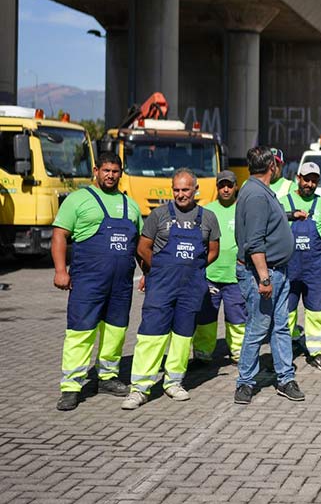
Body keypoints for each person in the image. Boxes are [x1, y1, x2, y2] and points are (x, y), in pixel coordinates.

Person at [123, 168, 221, 409]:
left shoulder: (207, 218)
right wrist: (160, 269)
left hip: (191, 289)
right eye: (176, 189)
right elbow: (143, 248)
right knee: (151, 335)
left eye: (185, 189)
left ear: (195, 189)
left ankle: (173, 382)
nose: (180, 194)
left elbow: (213, 251)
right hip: (162, 287)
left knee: (182, 337)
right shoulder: (159, 215)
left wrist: (193, 267)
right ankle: (140, 388)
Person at [52, 152, 143, 411]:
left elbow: (139, 246)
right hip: (87, 281)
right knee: (80, 331)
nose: (110, 175)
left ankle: (107, 377)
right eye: (106, 170)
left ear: (121, 173)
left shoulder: (131, 205)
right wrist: (61, 270)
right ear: (96, 170)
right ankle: (71, 386)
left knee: (116, 330)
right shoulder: (78, 199)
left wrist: (147, 272)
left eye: (115, 171)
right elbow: (60, 235)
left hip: (121, 284)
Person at [234, 146, 302, 405]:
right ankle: (245, 383)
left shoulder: (258, 191)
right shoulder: (256, 195)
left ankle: (285, 377)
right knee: (258, 327)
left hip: (277, 270)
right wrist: (263, 279)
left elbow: (265, 222)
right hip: (263, 273)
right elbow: (254, 242)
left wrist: (289, 216)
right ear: (272, 167)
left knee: (281, 326)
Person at [281, 161, 321, 370]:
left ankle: (318, 352)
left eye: (314, 181)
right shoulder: (284, 202)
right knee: (286, 312)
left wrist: (319, 235)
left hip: (314, 269)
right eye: (307, 179)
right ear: (299, 178)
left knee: (316, 312)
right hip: (289, 268)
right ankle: (283, 352)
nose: (310, 184)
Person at [194, 170, 246, 364]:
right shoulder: (207, 211)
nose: (226, 189)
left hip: (235, 276)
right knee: (206, 318)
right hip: (210, 275)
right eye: (222, 185)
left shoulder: (243, 209)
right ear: (217, 187)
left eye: (229, 185)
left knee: (237, 319)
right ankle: (202, 354)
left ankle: (239, 355)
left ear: (235, 187)